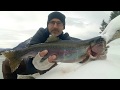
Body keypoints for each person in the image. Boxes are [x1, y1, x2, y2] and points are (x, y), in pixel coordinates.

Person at [2, 11, 108, 79]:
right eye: (52, 22)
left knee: (52, 64)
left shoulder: (67, 39)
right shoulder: (40, 34)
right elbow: (30, 54)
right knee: (6, 63)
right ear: (47, 24)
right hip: (31, 66)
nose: (55, 26)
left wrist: (90, 57)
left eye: (59, 23)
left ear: (63, 26)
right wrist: (37, 63)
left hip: (50, 69)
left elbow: (77, 59)